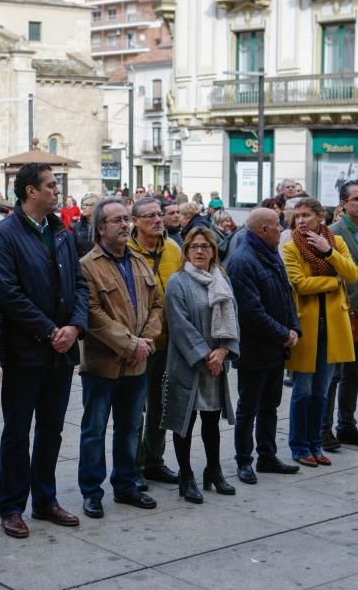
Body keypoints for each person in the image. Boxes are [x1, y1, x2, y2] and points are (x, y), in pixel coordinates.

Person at [0, 163, 89, 538]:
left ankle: (45, 499)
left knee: (52, 428)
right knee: (18, 430)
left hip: (61, 352)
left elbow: (80, 285)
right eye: (50, 185)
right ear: (30, 191)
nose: (56, 190)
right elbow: (8, 293)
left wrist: (75, 327)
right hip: (25, 351)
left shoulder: (60, 231)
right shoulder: (6, 235)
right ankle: (11, 505)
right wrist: (50, 331)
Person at [78, 198, 163, 517]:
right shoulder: (88, 265)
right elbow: (93, 314)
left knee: (130, 428)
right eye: (117, 220)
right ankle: (91, 491)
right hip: (104, 365)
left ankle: (126, 484)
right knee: (94, 430)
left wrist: (146, 340)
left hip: (137, 363)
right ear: (100, 228)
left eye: (127, 219)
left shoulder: (139, 261)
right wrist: (130, 345)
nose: (125, 225)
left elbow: (157, 303)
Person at [162, 227, 239, 503]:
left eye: (205, 246)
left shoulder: (222, 279)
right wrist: (208, 356)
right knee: (184, 423)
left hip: (216, 365)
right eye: (194, 246)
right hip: (188, 364)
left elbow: (233, 319)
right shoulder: (177, 282)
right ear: (186, 251)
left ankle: (214, 470)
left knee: (211, 422)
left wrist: (223, 351)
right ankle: (186, 476)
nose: (199, 251)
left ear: (213, 251)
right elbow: (179, 326)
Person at [227, 208, 301, 484]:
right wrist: (283, 334)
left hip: (275, 348)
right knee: (249, 407)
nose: (281, 229)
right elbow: (250, 312)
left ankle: (267, 456)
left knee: (270, 405)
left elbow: (286, 294)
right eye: (276, 225)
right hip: (254, 350)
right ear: (262, 230)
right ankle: (244, 461)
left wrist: (293, 328)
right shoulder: (243, 260)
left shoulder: (270, 253)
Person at [283, 197, 358, 467]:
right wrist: (332, 281)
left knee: (321, 392)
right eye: (298, 216)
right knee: (302, 391)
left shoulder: (335, 243)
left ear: (320, 218)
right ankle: (299, 446)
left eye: (306, 215)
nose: (301, 220)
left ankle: (315, 444)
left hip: (334, 327)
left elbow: (352, 274)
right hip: (307, 327)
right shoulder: (291, 247)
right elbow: (300, 284)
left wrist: (328, 253)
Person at [128, 197, 181, 488]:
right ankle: (134, 465)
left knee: (161, 406)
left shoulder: (173, 249)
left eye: (159, 214)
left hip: (168, 343)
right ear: (135, 221)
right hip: (137, 343)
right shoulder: (126, 251)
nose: (158, 220)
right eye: (150, 216)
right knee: (136, 408)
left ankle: (154, 461)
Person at [324, 180, 358, 447]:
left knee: (354, 373)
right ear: (344, 204)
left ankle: (347, 424)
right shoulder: (332, 234)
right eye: (356, 199)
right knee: (334, 374)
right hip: (341, 310)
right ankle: (324, 428)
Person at [72, 194, 99, 258]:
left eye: (86, 205)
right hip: (81, 264)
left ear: (95, 207)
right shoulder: (77, 227)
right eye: (83, 205)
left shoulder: (103, 226)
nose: (83, 207)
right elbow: (73, 250)